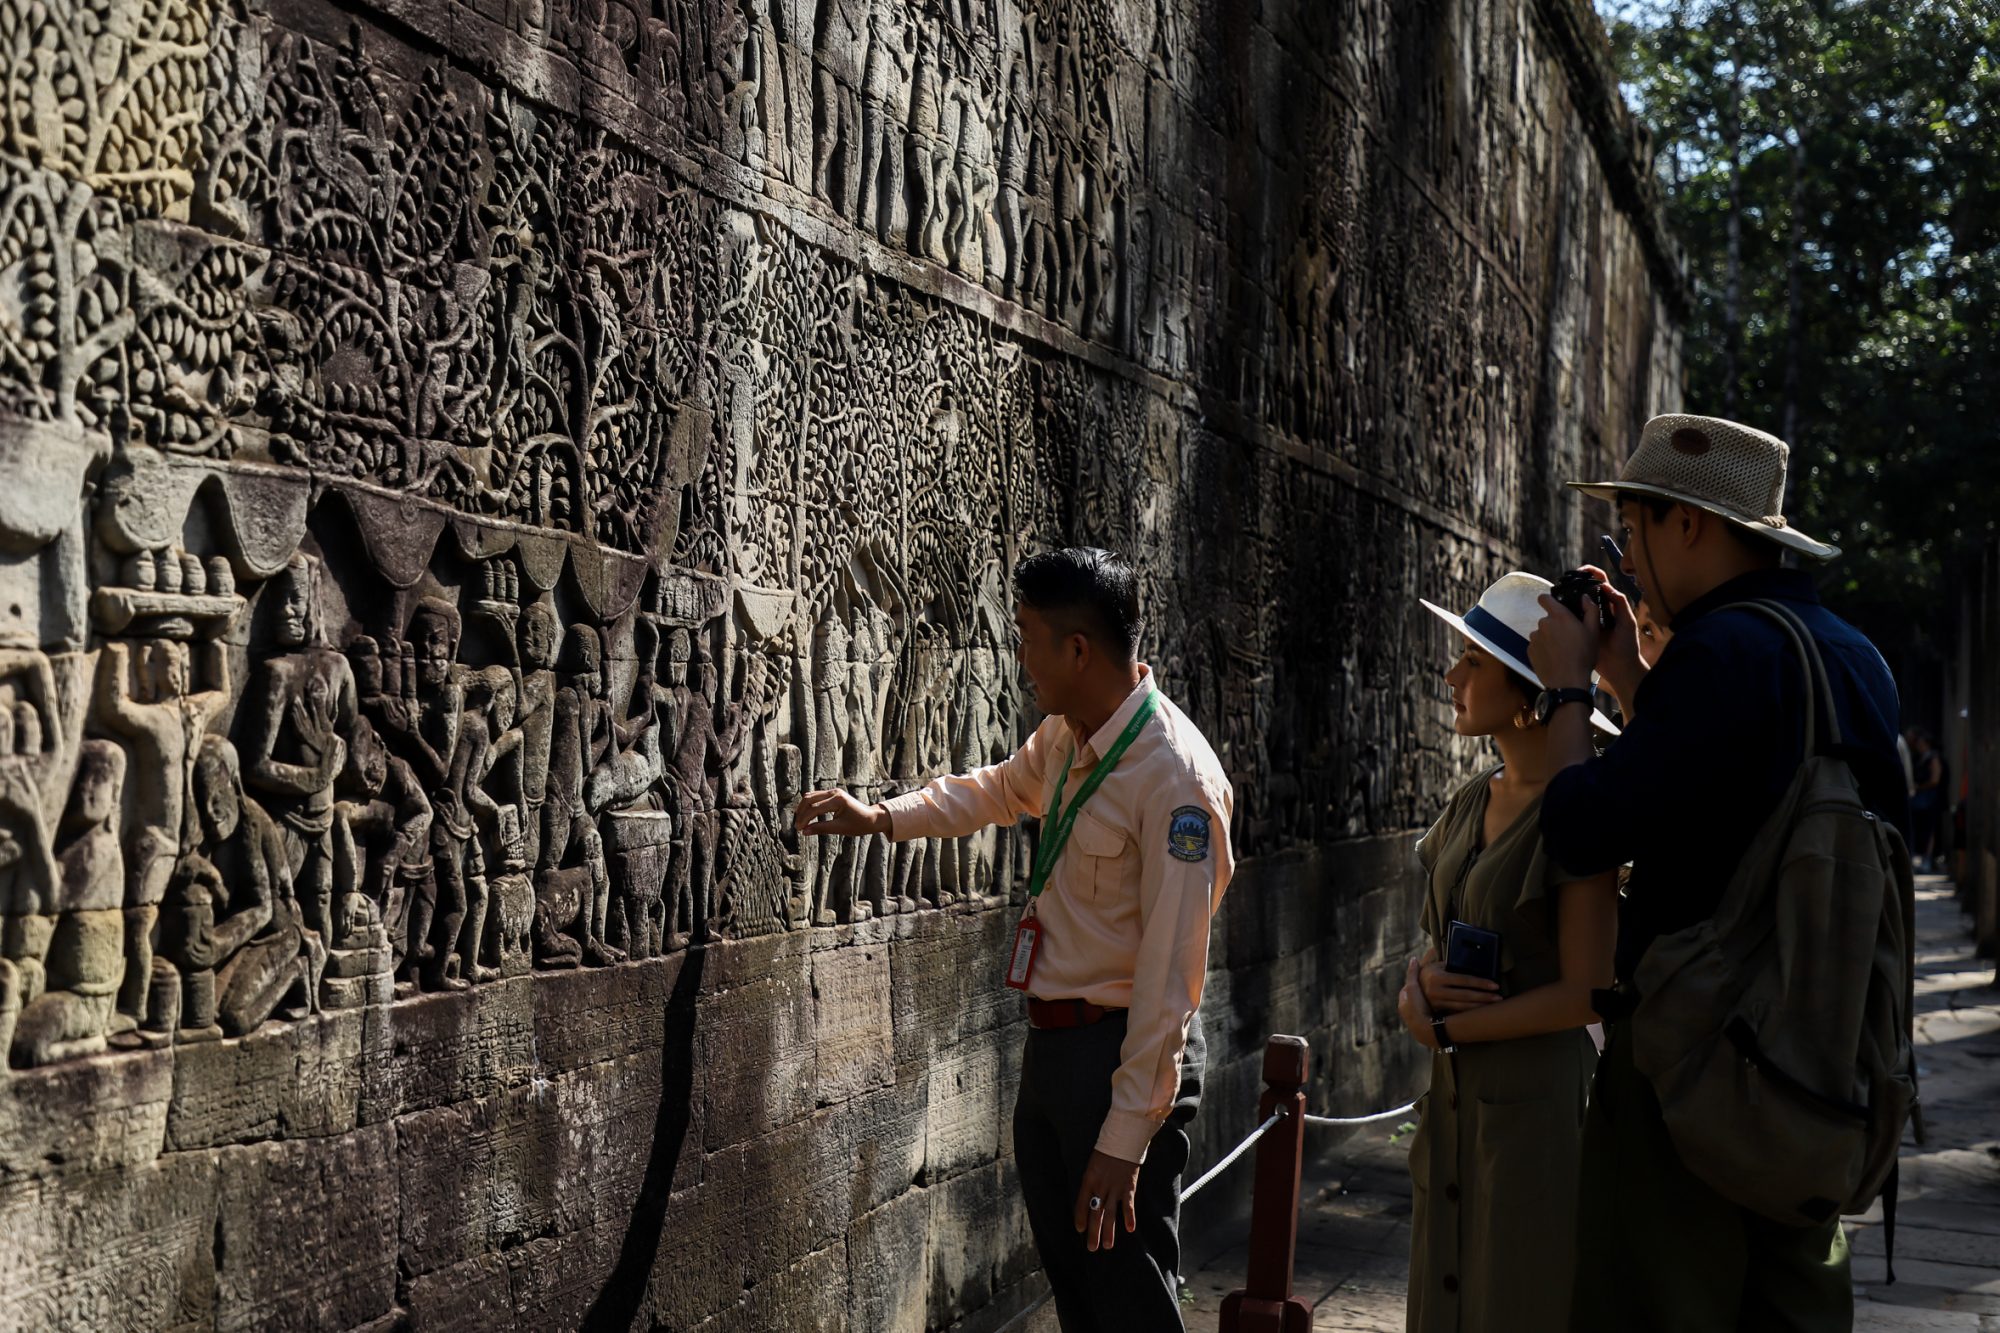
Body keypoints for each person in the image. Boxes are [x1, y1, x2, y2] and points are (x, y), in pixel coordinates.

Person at [1526, 414, 1907, 1332]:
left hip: (1691, 1080)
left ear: (1687, 523)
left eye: (1634, 525)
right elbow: (1734, 783)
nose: (1630, 553)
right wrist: (1631, 680)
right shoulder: (1855, 660)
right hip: (1817, 1075)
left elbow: (1582, 829)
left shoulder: (1717, 653)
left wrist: (1573, 686)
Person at [794, 547, 1232, 1332]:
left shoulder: (1175, 781)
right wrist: (883, 817)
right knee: (1078, 1293)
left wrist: (1124, 1137)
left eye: (1028, 636)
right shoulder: (1071, 734)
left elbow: (1171, 984)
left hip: (1120, 1058)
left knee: (1127, 1298)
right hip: (1057, 1047)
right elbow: (998, 789)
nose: (1018, 655)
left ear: (1078, 650)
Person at [1395, 573, 1621, 1333]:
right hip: (1456, 1105)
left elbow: (1588, 989)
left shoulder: (1578, 812)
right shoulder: (1469, 800)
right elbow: (1436, 946)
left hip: (1537, 1109)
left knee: (1519, 1300)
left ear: (1528, 692)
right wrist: (1416, 986)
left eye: (1473, 661)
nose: (1453, 676)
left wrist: (1451, 1028)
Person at [1908, 728, 1946, 872]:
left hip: (1930, 799)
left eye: (1921, 743)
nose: (1918, 746)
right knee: (1921, 829)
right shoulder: (1921, 758)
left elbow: (1935, 779)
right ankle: (1922, 858)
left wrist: (1919, 787)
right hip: (1922, 798)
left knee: (1929, 829)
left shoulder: (1933, 757)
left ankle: (1927, 859)